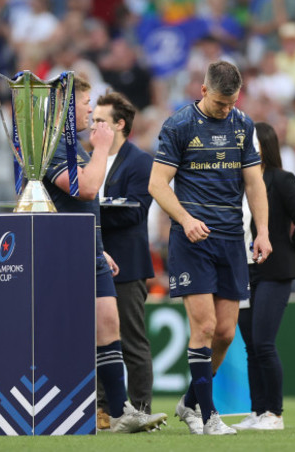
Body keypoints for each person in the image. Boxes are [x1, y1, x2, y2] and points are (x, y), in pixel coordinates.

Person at [148, 61, 272, 435]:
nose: (226, 109)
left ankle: (190, 402)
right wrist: (185, 220)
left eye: (231, 102)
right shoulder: (179, 126)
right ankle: (208, 415)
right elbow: (157, 184)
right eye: (220, 103)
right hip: (192, 240)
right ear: (203, 91)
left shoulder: (243, 124)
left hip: (232, 237)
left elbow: (254, 183)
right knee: (203, 326)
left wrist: (262, 231)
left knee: (225, 333)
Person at [43, 76, 167, 433]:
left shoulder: (78, 148)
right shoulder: (53, 146)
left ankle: (120, 411)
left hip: (91, 250)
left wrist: (98, 247)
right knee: (78, 332)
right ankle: (66, 408)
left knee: (111, 325)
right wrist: (101, 147)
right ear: (68, 108)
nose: (90, 115)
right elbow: (88, 189)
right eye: (85, 106)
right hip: (65, 253)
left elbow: (88, 205)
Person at [232, 122, 295, 431]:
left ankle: (275, 414)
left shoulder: (280, 179)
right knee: (251, 345)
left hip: (274, 271)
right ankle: (257, 411)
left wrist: (287, 255)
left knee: (264, 343)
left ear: (261, 145)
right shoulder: (238, 181)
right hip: (243, 269)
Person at [96, 92, 156, 418]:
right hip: (92, 260)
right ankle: (105, 408)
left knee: (131, 339)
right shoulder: (87, 160)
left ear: (120, 124)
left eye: (100, 121)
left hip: (127, 264)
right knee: (98, 339)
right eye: (92, 121)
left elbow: (136, 211)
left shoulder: (140, 161)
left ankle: (142, 408)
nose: (93, 127)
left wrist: (92, 213)